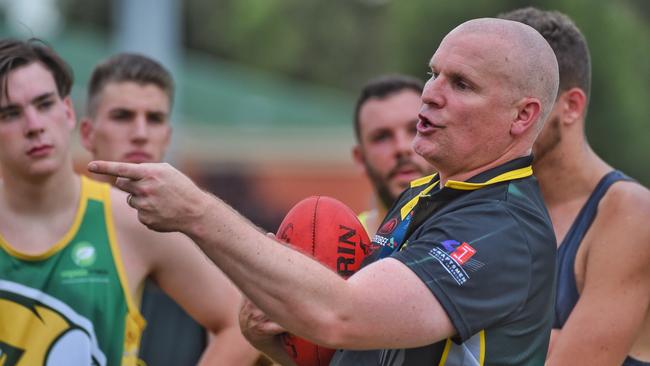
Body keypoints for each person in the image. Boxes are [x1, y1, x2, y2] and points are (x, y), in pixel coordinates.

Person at [89, 17, 560, 365]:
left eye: (461, 84)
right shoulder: (422, 193)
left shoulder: (503, 229)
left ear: (522, 116)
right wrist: (275, 341)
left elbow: (343, 315)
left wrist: (195, 211)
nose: (431, 93)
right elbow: (358, 346)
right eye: (433, 73)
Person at [0, 39, 257, 365]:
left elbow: (239, 323)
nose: (34, 126)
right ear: (88, 131)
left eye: (44, 104)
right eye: (10, 113)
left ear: (66, 111)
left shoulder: (134, 221)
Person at [79, 53, 260, 365]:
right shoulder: (57, 221)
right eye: (122, 116)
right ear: (87, 133)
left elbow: (244, 327)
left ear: (168, 136)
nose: (140, 132)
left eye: (154, 118)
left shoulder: (202, 231)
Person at [499, 7, 650, 365]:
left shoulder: (630, 213)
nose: (502, 118)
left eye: (521, 102)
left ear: (570, 106)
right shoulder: (498, 203)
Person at [352, 74, 435, 235]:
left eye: (416, 128)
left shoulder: (482, 235)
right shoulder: (338, 247)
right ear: (361, 159)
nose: (402, 147)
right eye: (382, 137)